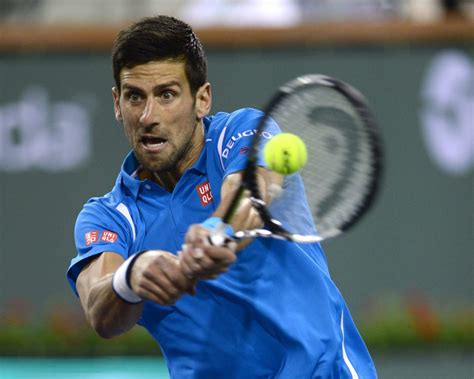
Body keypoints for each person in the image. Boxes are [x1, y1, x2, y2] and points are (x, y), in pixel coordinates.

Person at [67, 15, 377, 378]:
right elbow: (99, 311)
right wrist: (130, 277)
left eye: (167, 94)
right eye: (136, 97)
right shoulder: (108, 216)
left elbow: (249, 190)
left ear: (202, 99)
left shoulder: (241, 131)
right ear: (118, 104)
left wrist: (218, 230)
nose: (148, 116)